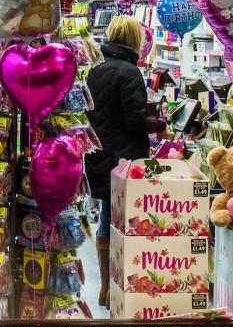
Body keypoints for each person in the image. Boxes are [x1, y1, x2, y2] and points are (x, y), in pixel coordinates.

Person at [85, 15, 159, 307]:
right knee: (123, 217)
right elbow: (135, 121)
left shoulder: (94, 67)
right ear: (134, 41)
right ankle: (120, 282)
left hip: (97, 152)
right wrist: (159, 122)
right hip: (124, 156)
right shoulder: (129, 72)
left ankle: (105, 286)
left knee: (106, 212)